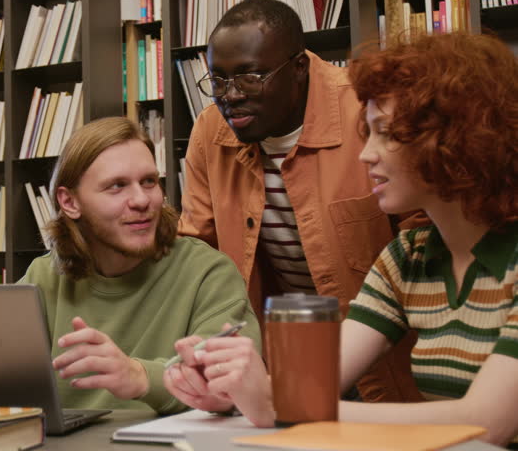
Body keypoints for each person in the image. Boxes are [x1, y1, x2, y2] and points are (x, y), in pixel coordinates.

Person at [167, 32, 518, 445]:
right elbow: (314, 385)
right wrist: (229, 390)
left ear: (459, 140)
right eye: (367, 132)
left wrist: (281, 404)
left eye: (386, 132)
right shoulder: (407, 257)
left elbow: (491, 421)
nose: (366, 154)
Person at [177, 0, 420, 402]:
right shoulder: (209, 132)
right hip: (279, 353)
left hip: (383, 354)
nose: (230, 96)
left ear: (299, 68)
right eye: (217, 80)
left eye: (250, 77)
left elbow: (423, 237)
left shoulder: (368, 112)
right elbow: (198, 251)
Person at [19, 116, 262, 419]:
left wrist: (138, 377)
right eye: (117, 186)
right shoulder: (41, 278)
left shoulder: (208, 273)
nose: (141, 200)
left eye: (149, 181)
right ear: (70, 202)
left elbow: (233, 388)